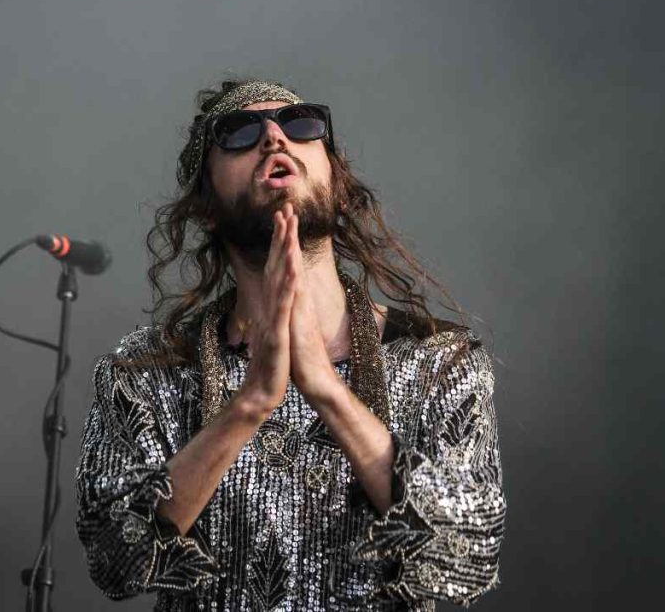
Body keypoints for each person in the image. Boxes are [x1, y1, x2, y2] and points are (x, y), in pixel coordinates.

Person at [75, 79, 505, 611]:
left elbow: (470, 549)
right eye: (238, 132)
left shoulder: (440, 361)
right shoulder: (145, 372)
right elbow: (114, 558)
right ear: (205, 207)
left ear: (339, 184)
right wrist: (249, 404)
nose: (274, 137)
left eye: (300, 124)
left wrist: (325, 388)